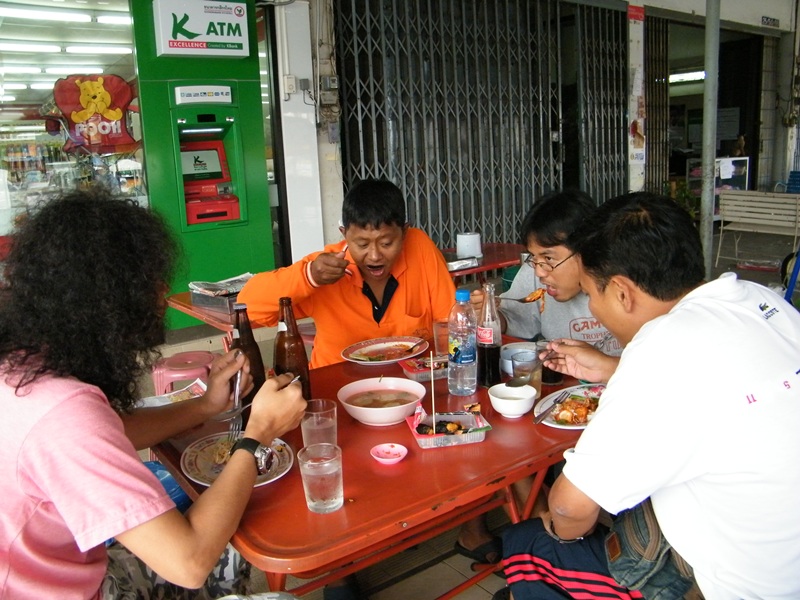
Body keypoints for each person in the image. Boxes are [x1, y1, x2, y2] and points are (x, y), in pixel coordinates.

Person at [0, 188, 307, 599]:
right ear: (103, 299)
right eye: (146, 281)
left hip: (73, 568)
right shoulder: (61, 414)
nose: (162, 293)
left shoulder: (22, 364)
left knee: (228, 546)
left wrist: (206, 405)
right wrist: (259, 434)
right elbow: (189, 563)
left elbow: (111, 432)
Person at [496, 192, 800, 599]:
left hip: (736, 584)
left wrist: (555, 526)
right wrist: (611, 368)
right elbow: (713, 393)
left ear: (622, 292)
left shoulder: (663, 346)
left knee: (529, 544)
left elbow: (571, 508)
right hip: (781, 552)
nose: (595, 308)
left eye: (593, 293)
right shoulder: (757, 300)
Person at [239, 179, 455, 369]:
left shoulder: (419, 247)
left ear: (404, 232)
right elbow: (249, 309)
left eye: (386, 243)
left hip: (410, 380)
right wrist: (308, 277)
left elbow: (448, 322)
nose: (374, 256)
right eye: (361, 244)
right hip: (335, 386)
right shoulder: (326, 268)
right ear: (344, 235)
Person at [470, 190, 620, 354]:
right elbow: (513, 320)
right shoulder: (535, 270)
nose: (539, 273)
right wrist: (488, 313)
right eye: (533, 257)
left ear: (586, 249)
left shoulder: (623, 280)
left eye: (549, 258)